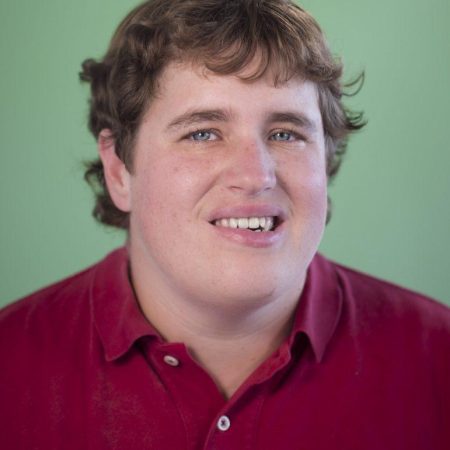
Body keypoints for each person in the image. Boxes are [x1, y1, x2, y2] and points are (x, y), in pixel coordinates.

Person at [0, 0, 449, 449]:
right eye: (202, 133)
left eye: (286, 133)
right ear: (119, 171)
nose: (256, 176)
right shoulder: (11, 366)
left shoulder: (436, 359)